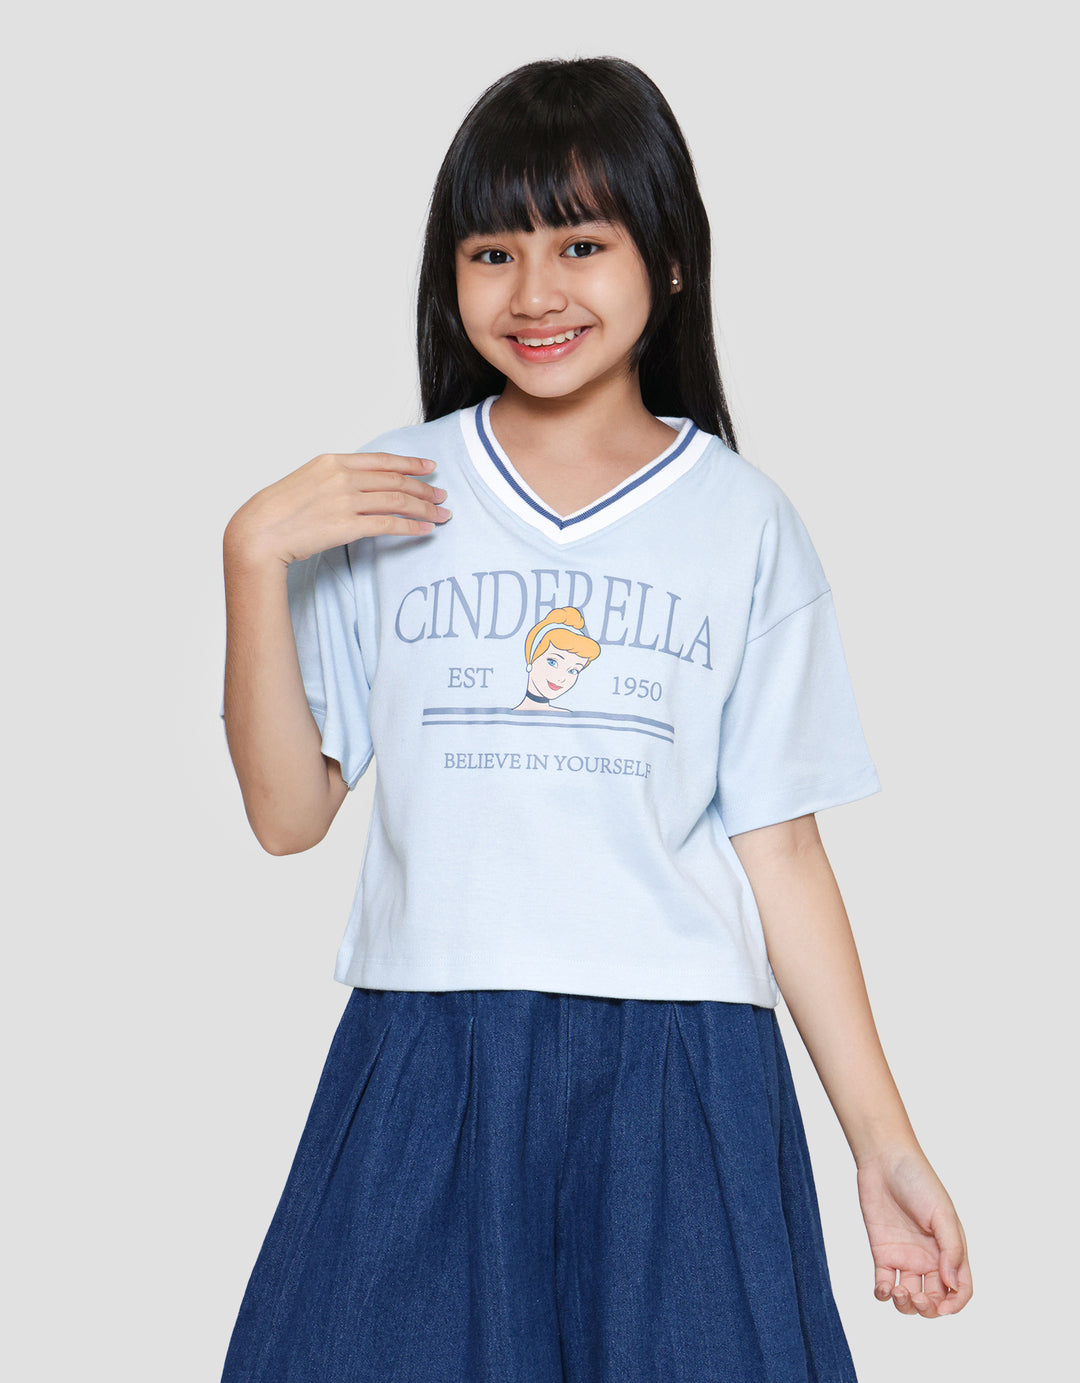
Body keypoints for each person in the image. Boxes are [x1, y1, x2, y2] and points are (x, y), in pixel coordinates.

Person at [218, 54, 972, 1382]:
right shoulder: (384, 496)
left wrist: (883, 1143)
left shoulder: (742, 521)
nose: (534, 292)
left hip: (679, 1066)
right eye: (491, 251)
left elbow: (783, 853)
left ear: (668, 261)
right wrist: (248, 558)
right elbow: (288, 818)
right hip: (430, 1050)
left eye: (581, 243)